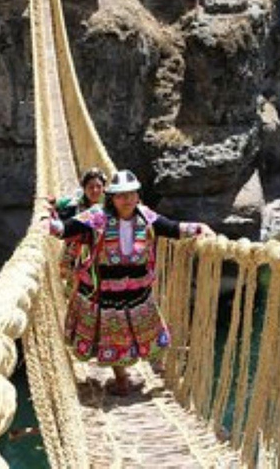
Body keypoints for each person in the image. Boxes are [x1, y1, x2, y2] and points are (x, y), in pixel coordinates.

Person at [43, 169, 214, 395]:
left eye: (132, 194)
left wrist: (201, 228)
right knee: (112, 339)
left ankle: (155, 372)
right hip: (106, 295)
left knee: (137, 337)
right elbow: (63, 230)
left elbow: (173, 228)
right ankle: (122, 380)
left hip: (138, 295)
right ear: (112, 197)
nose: (128, 200)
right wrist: (46, 217)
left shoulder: (146, 217)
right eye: (122, 195)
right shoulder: (97, 217)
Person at [47, 168, 108, 275]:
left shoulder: (112, 205)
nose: (95, 190)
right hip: (77, 249)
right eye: (90, 187)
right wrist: (53, 204)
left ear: (104, 188)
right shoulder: (75, 204)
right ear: (84, 189)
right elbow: (60, 207)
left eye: (99, 186)